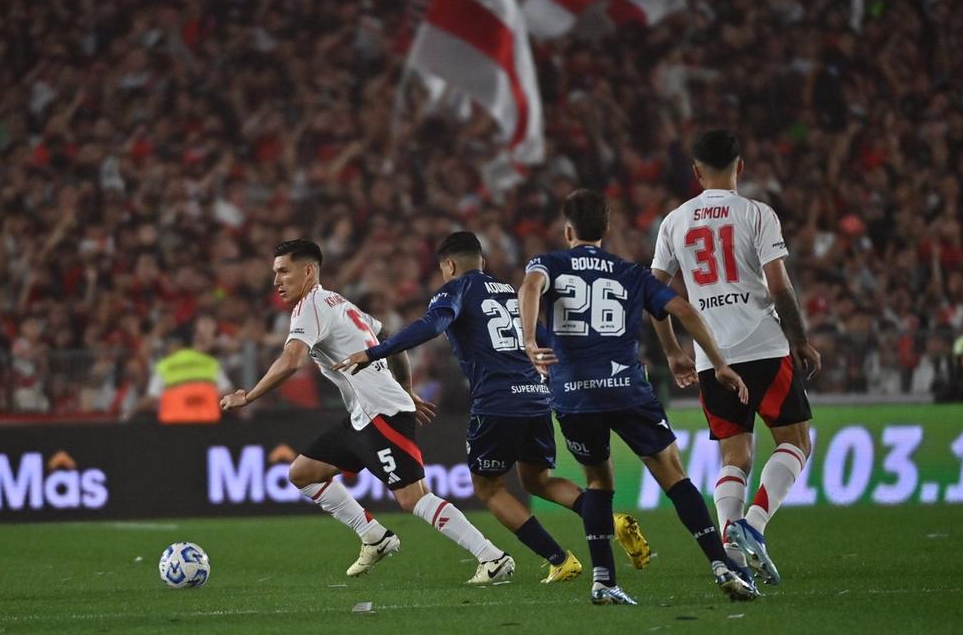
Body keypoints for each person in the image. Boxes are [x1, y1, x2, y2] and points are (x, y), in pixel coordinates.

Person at [332, 231, 651, 584]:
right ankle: (613, 520)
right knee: (537, 480)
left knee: (489, 488)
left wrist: (375, 351)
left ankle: (559, 559)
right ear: (482, 262)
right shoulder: (513, 295)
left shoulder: (456, 290)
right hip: (537, 398)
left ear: (449, 265)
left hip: (497, 403)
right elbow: (550, 342)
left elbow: (432, 324)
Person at [220, 239, 514, 584]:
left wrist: (249, 396)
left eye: (284, 271)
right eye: (275, 272)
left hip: (381, 412)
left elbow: (292, 360)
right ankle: (374, 536)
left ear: (309, 270)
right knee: (302, 473)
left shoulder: (311, 306)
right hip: (363, 414)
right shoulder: (338, 302)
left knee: (412, 497)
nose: (276, 281)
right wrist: (404, 387)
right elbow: (387, 335)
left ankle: (492, 557)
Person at [517, 190, 757, 605]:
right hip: (627, 388)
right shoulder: (630, 272)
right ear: (607, 229)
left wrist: (528, 339)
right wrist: (716, 362)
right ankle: (722, 565)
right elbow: (682, 309)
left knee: (597, 482)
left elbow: (530, 287)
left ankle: (604, 580)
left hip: (574, 394)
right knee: (673, 475)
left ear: (568, 229)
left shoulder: (548, 264)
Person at [649, 129, 822, 588]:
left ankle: (730, 551)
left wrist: (673, 351)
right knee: (796, 442)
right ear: (740, 167)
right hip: (764, 344)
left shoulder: (675, 221)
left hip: (712, 354)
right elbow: (779, 285)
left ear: (696, 172)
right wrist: (799, 339)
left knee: (735, 454)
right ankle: (754, 525)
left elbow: (655, 296)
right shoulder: (757, 214)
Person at [141, 315, 232, 424]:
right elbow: (228, 393)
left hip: (174, 426)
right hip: (206, 424)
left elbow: (152, 398)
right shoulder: (210, 363)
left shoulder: (165, 365)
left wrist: (131, 413)